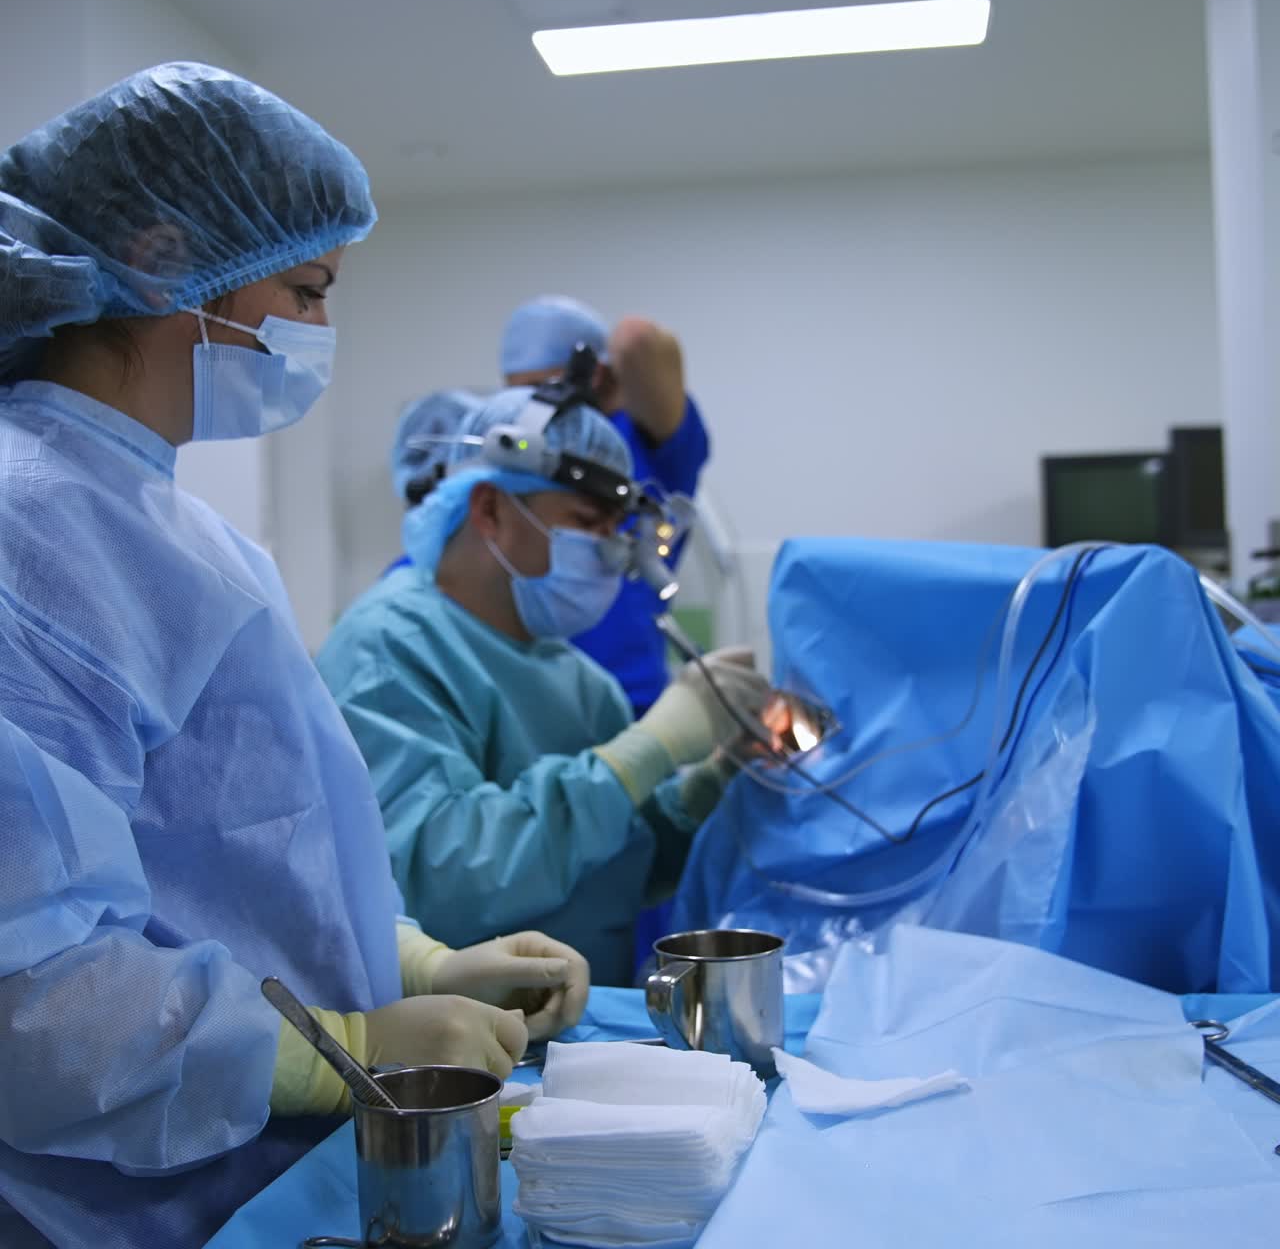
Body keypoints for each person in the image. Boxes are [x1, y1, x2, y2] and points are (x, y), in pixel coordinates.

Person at [0, 64, 588, 1249]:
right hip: (131, 1208)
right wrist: (346, 1049)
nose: (318, 333)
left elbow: (234, 850)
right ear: (168, 260)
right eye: (306, 289)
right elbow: (34, 993)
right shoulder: (33, 532)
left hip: (251, 1176)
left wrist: (411, 958)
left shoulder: (165, 525)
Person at [317, 387, 771, 986]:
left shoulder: (584, 683)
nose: (611, 555)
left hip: (582, 1027)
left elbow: (609, 870)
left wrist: (711, 784)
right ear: (491, 512)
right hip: (459, 1044)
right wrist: (645, 751)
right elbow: (437, 876)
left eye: (617, 531)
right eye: (586, 524)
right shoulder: (388, 648)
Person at [501, 296, 710, 716]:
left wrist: (604, 386)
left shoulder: (646, 446)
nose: (535, 408)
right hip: (531, 704)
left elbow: (636, 337)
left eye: (548, 387)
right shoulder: (515, 456)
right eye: (519, 393)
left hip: (631, 702)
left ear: (597, 378)